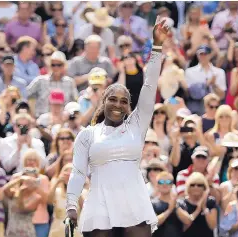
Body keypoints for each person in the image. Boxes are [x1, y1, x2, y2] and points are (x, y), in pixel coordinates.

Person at [66, 17, 170, 236]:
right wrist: (71, 206)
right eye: (112, 99)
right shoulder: (88, 134)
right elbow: (77, 172)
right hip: (99, 203)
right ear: (103, 101)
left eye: (124, 101)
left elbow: (150, 85)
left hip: (134, 202)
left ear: (129, 106)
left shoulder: (137, 126)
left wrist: (157, 47)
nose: (118, 104)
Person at [176, 172, 218, 237]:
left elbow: (212, 225)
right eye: (192, 185)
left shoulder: (210, 201)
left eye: (199, 185)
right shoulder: (182, 203)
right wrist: (198, 209)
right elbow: (183, 228)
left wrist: (204, 208)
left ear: (204, 187)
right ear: (188, 187)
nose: (196, 187)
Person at [151, 171, 183, 237]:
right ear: (157, 185)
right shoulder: (152, 204)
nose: (164, 184)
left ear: (172, 185)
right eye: (161, 182)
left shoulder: (179, 202)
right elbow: (153, 224)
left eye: (168, 182)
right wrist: (169, 210)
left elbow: (188, 222)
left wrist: (176, 207)